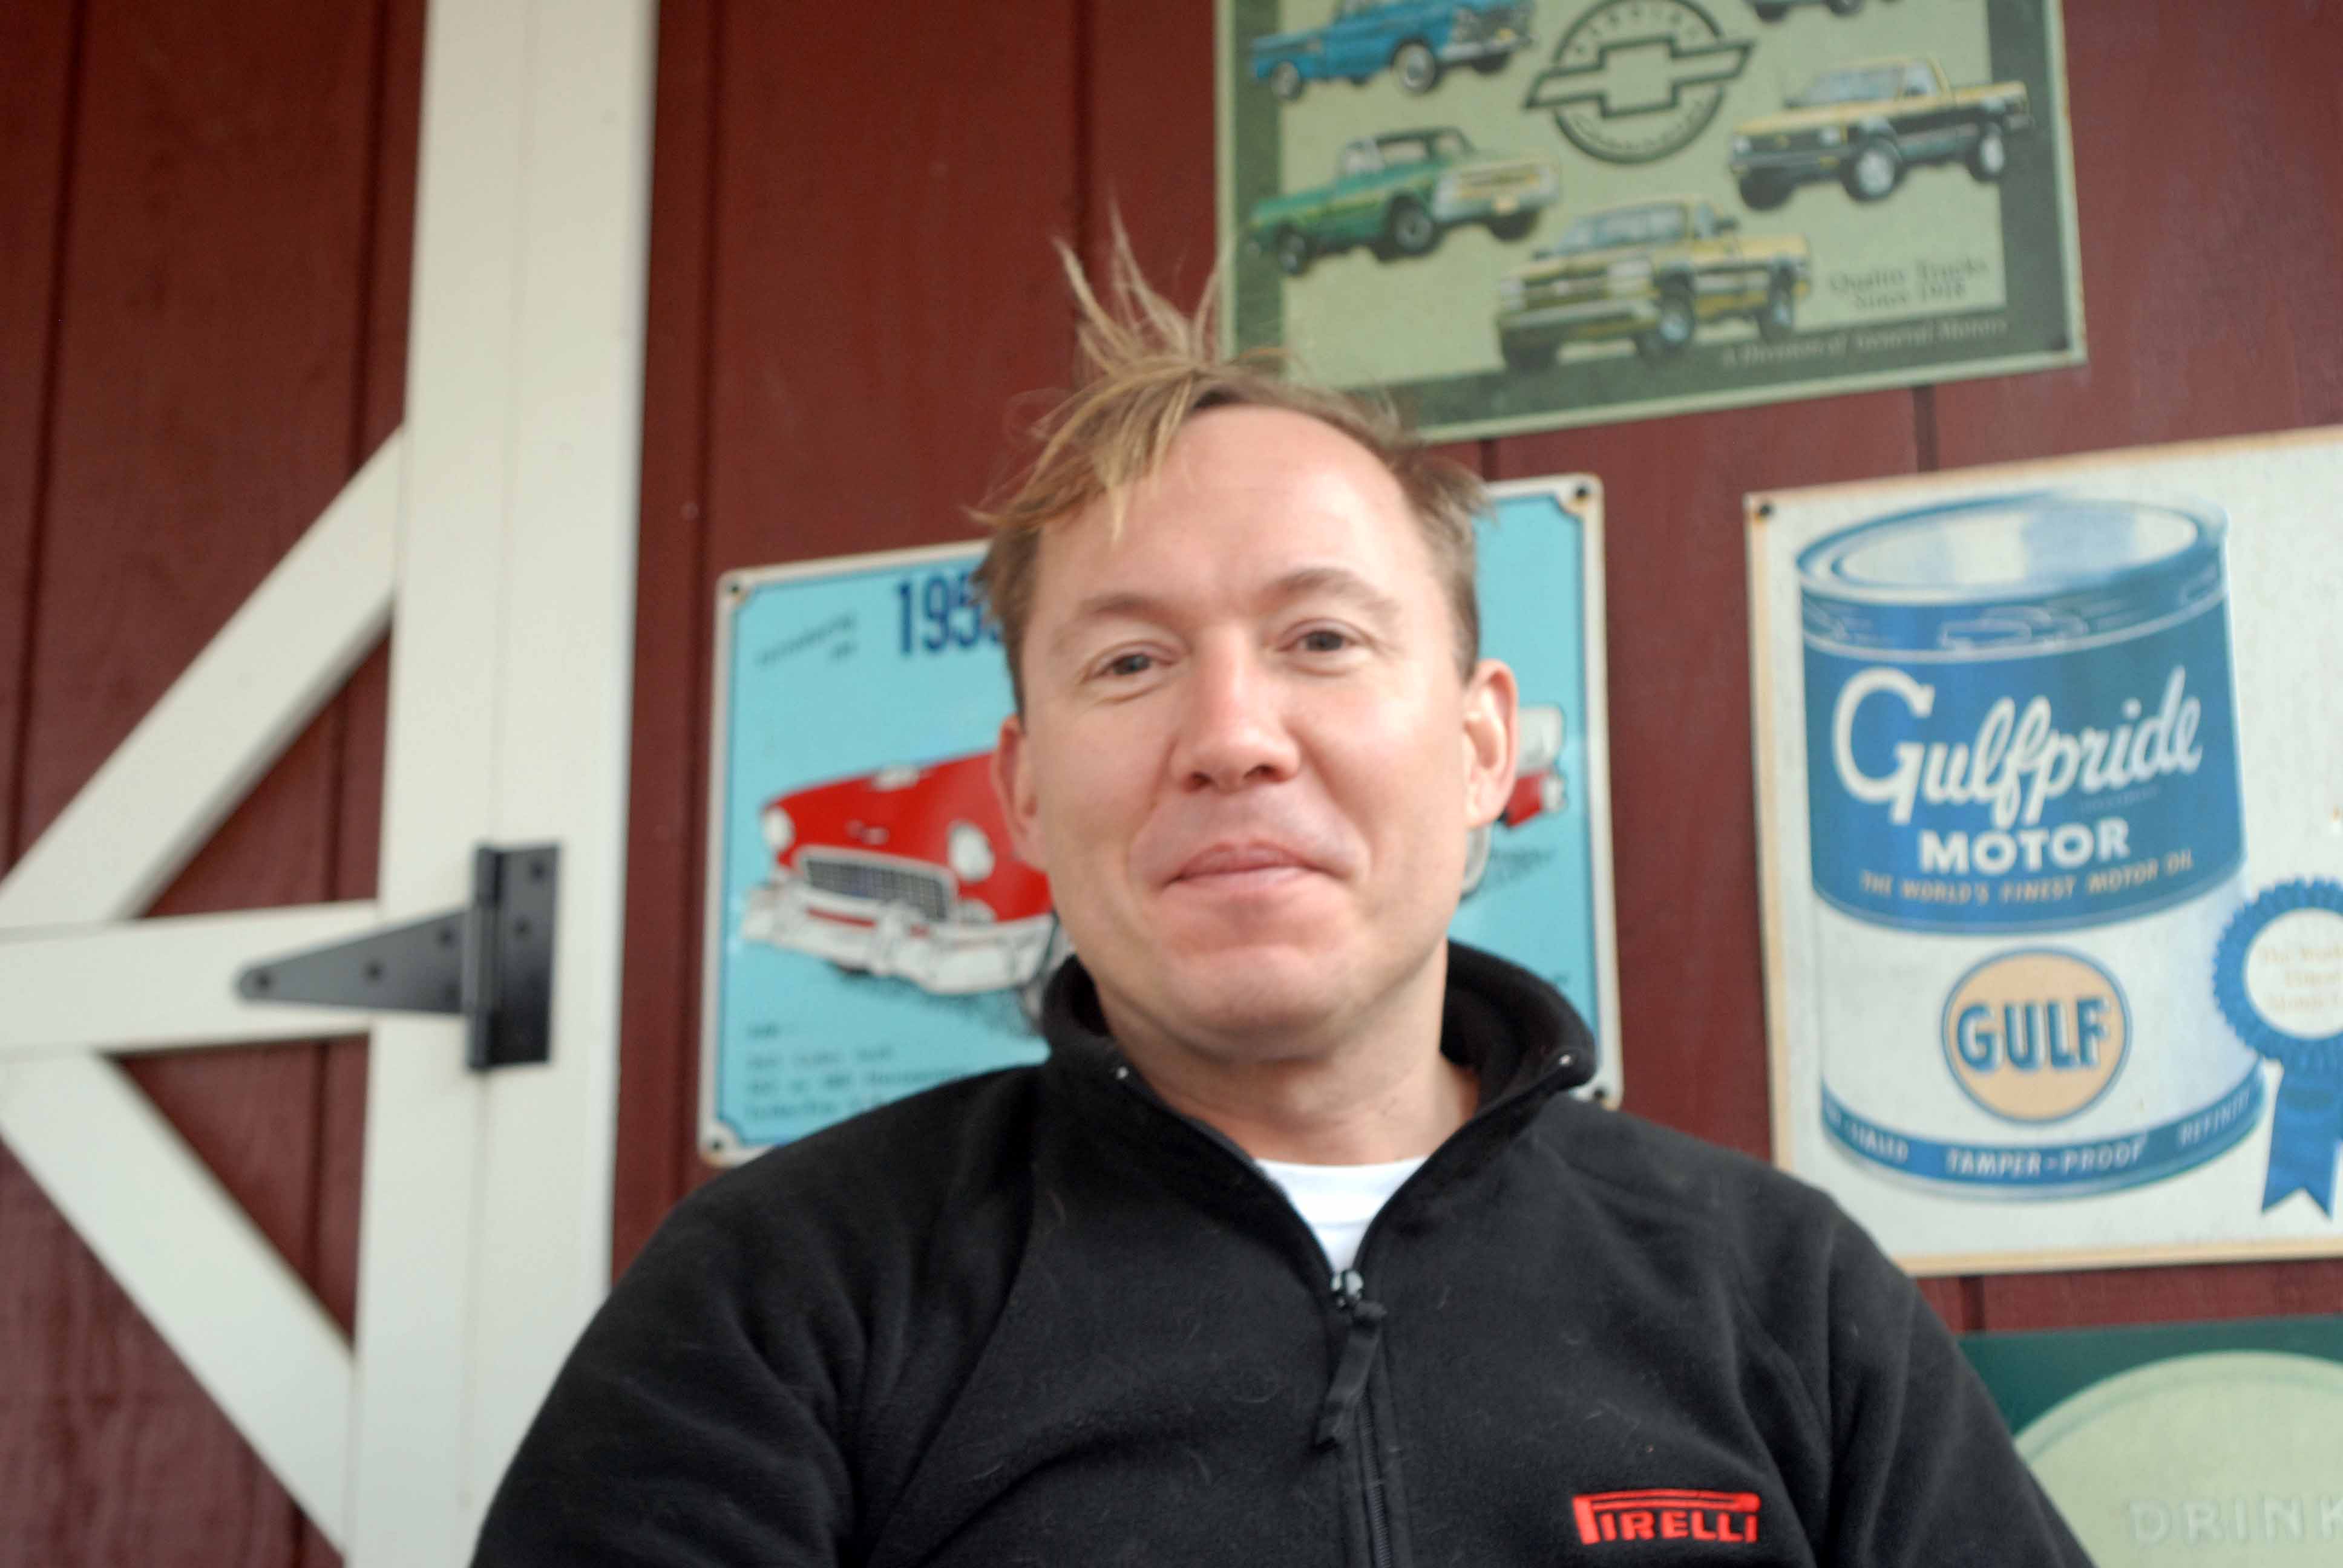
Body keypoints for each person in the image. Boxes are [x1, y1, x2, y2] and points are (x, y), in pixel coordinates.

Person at [472, 237, 2092, 1566]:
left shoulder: (1787, 1297)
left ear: (1482, 748)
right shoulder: (784, 1292)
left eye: (1322, 639)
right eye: (1130, 662)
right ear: (1025, 791)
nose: (1233, 736)